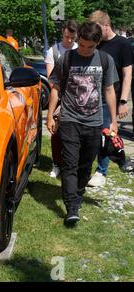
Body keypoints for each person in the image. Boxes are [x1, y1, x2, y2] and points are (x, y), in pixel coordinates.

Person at [46, 21, 119, 226]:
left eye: (90, 46)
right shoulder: (66, 58)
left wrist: (113, 121)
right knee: (69, 164)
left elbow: (109, 90)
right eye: (82, 45)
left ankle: (77, 195)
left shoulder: (105, 60)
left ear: (97, 44)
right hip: (69, 119)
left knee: (85, 166)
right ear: (78, 40)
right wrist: (50, 116)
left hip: (94, 122)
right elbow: (56, 88)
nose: (85, 50)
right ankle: (71, 207)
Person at [88, 11, 133, 187]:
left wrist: (123, 101)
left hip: (111, 98)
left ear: (106, 25)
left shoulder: (123, 44)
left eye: (97, 29)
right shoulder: (95, 44)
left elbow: (127, 73)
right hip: (91, 97)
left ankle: (101, 171)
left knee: (107, 134)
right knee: (92, 134)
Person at [44, 19, 78, 178]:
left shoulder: (81, 49)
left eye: (72, 37)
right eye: (66, 37)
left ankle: (71, 164)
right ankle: (56, 163)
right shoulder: (54, 51)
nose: (69, 40)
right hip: (59, 97)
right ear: (62, 33)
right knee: (56, 132)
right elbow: (52, 80)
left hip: (78, 98)